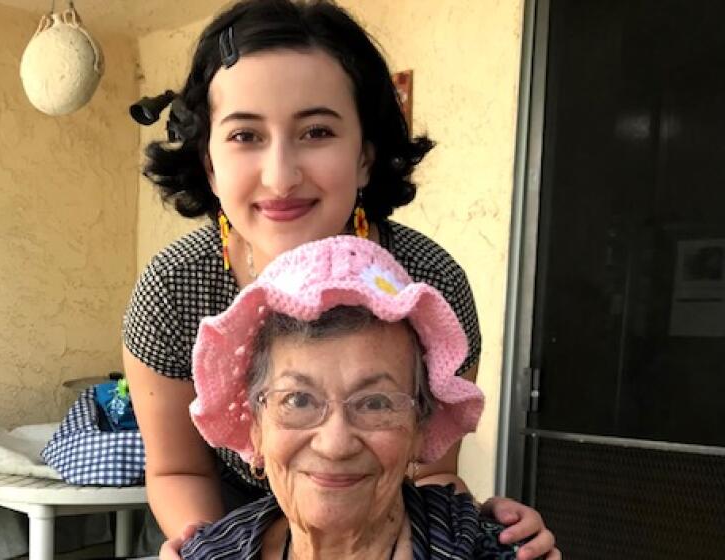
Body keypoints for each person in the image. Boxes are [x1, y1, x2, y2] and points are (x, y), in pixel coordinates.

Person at [122, 0, 559, 558]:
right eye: (245, 136)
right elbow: (178, 468)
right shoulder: (173, 289)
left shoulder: (428, 283)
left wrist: (491, 538)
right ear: (209, 163)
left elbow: (429, 470)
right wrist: (220, 550)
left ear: (365, 158)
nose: (280, 176)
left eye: (317, 131)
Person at [184, 235, 521, 559]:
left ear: (420, 427)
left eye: (375, 403)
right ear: (257, 427)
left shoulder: (494, 550)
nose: (335, 444)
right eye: (298, 400)